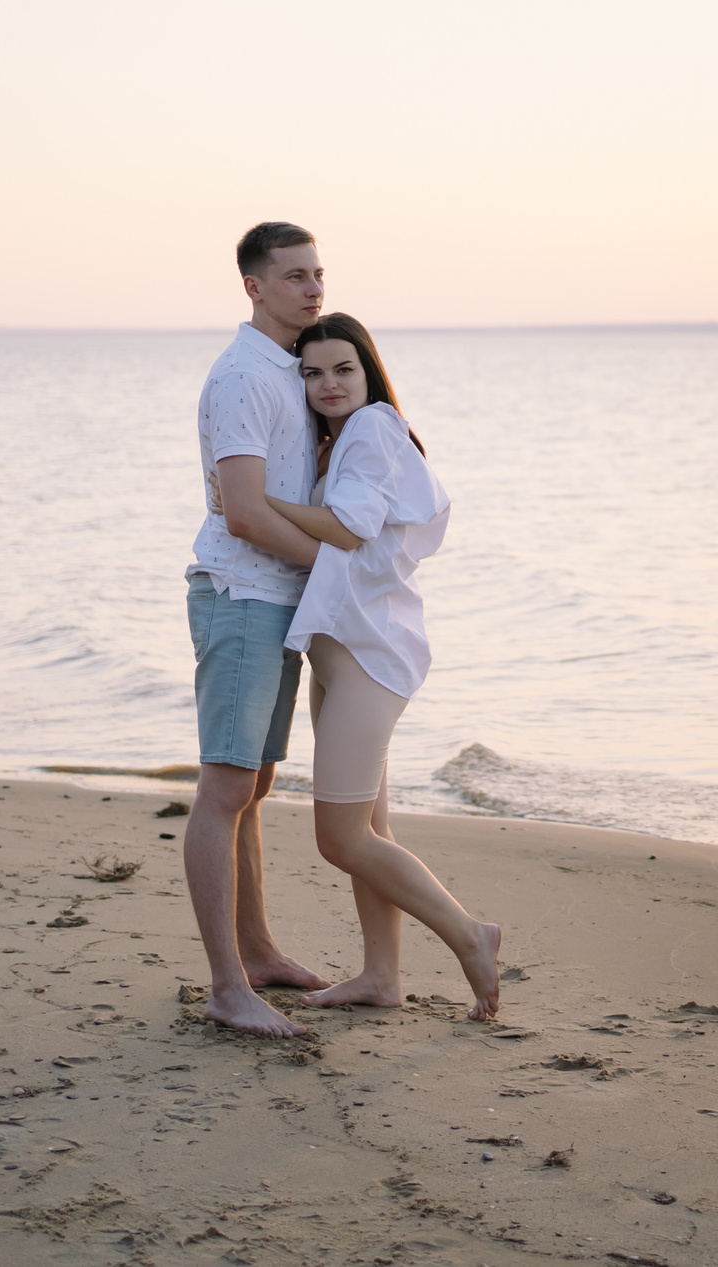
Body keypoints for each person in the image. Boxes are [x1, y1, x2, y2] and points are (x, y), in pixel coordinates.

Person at [262, 314, 502, 1021]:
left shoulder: (370, 427)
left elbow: (348, 528)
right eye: (312, 373)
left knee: (340, 838)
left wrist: (257, 502)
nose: (328, 384)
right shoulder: (344, 440)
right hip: (342, 657)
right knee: (370, 830)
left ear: (368, 371)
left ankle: (470, 935)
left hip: (366, 661)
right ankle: (380, 976)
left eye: (344, 369)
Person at [181, 221, 331, 1037]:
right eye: (295, 275)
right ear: (254, 286)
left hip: (276, 597)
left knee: (255, 785)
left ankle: (259, 952)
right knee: (226, 787)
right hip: (241, 594)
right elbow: (241, 512)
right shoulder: (244, 374)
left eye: (318, 273)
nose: (313, 288)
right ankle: (227, 987)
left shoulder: (288, 367)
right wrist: (335, 569)